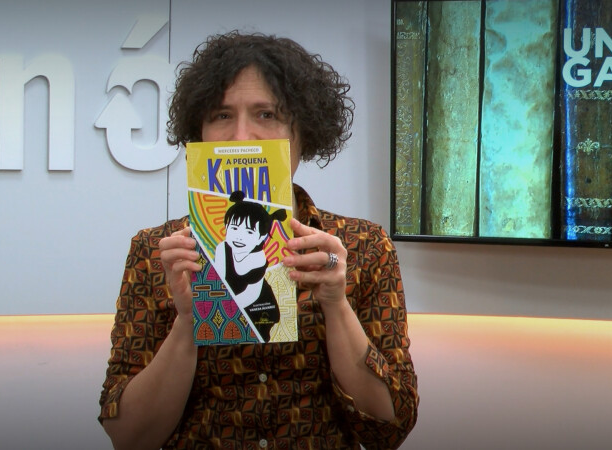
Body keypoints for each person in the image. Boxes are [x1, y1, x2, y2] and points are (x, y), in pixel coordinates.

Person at [99, 31, 418, 449]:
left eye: (266, 114)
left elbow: (390, 427)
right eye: (221, 115)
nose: (241, 137)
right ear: (198, 133)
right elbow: (128, 437)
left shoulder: (363, 246)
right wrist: (187, 321)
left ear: (303, 133)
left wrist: (336, 305)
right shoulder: (158, 252)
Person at [214, 190, 287, 343]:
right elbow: (220, 281)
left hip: (258, 306)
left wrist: (227, 309)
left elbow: (251, 295)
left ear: (261, 237)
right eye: (234, 228)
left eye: (249, 232)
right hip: (231, 301)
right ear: (226, 227)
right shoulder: (222, 249)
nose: (239, 237)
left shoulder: (258, 260)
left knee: (258, 335)